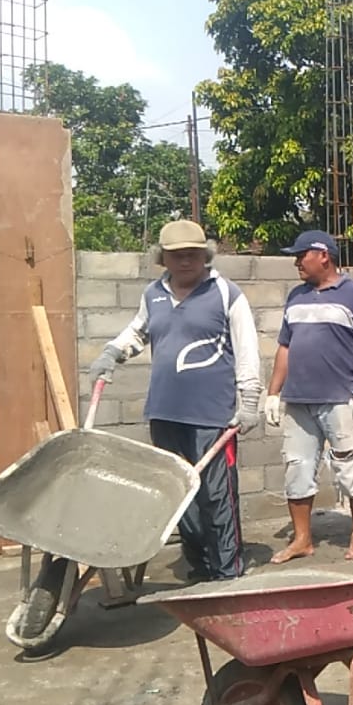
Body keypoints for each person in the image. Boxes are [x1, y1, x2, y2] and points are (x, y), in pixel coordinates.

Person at [87, 220, 261, 582]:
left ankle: (227, 573)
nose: (186, 261)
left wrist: (250, 399)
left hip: (213, 417)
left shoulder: (226, 293)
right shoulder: (154, 294)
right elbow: (137, 331)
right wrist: (112, 353)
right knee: (179, 496)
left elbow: (247, 350)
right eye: (177, 255)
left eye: (193, 255)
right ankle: (199, 566)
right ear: (162, 258)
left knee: (217, 497)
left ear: (205, 255)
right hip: (165, 413)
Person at [264, 229, 353, 563]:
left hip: (340, 398)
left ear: (323, 256)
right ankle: (302, 539)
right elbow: (284, 348)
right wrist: (273, 393)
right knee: (297, 468)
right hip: (299, 400)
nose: (296, 262)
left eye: (301, 255)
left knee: (350, 469)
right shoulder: (296, 297)